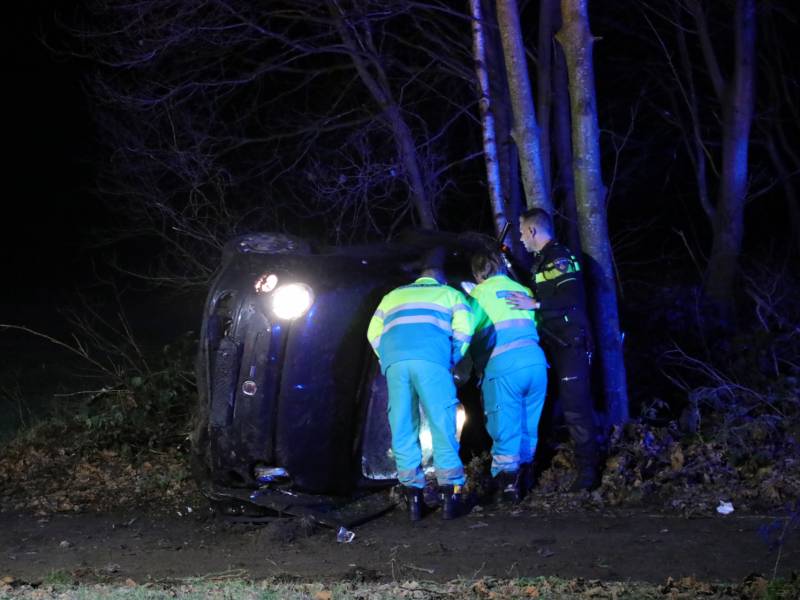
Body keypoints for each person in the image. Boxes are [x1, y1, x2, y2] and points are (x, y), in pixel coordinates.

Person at [366, 247, 474, 520]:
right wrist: (450, 357)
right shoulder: (450, 294)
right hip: (432, 361)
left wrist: (388, 356)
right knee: (442, 422)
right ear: (441, 279)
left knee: (402, 425)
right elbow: (465, 329)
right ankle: (450, 498)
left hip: (395, 364)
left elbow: (373, 332)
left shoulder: (393, 296)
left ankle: (414, 500)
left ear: (419, 279)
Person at [506, 208, 601, 491]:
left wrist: (534, 306)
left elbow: (570, 297)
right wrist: (508, 259)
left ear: (533, 231)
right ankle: (542, 469)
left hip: (572, 342)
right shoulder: (543, 262)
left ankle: (589, 473)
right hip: (552, 342)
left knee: (576, 408)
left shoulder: (560, 257)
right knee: (549, 408)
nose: (521, 239)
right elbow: (536, 285)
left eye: (522, 233)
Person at [467, 247, 547, 503]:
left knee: (505, 425)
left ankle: (507, 484)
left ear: (479, 274)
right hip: (536, 363)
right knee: (528, 423)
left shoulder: (478, 294)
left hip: (504, 366)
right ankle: (526, 475)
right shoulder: (522, 290)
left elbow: (469, 331)